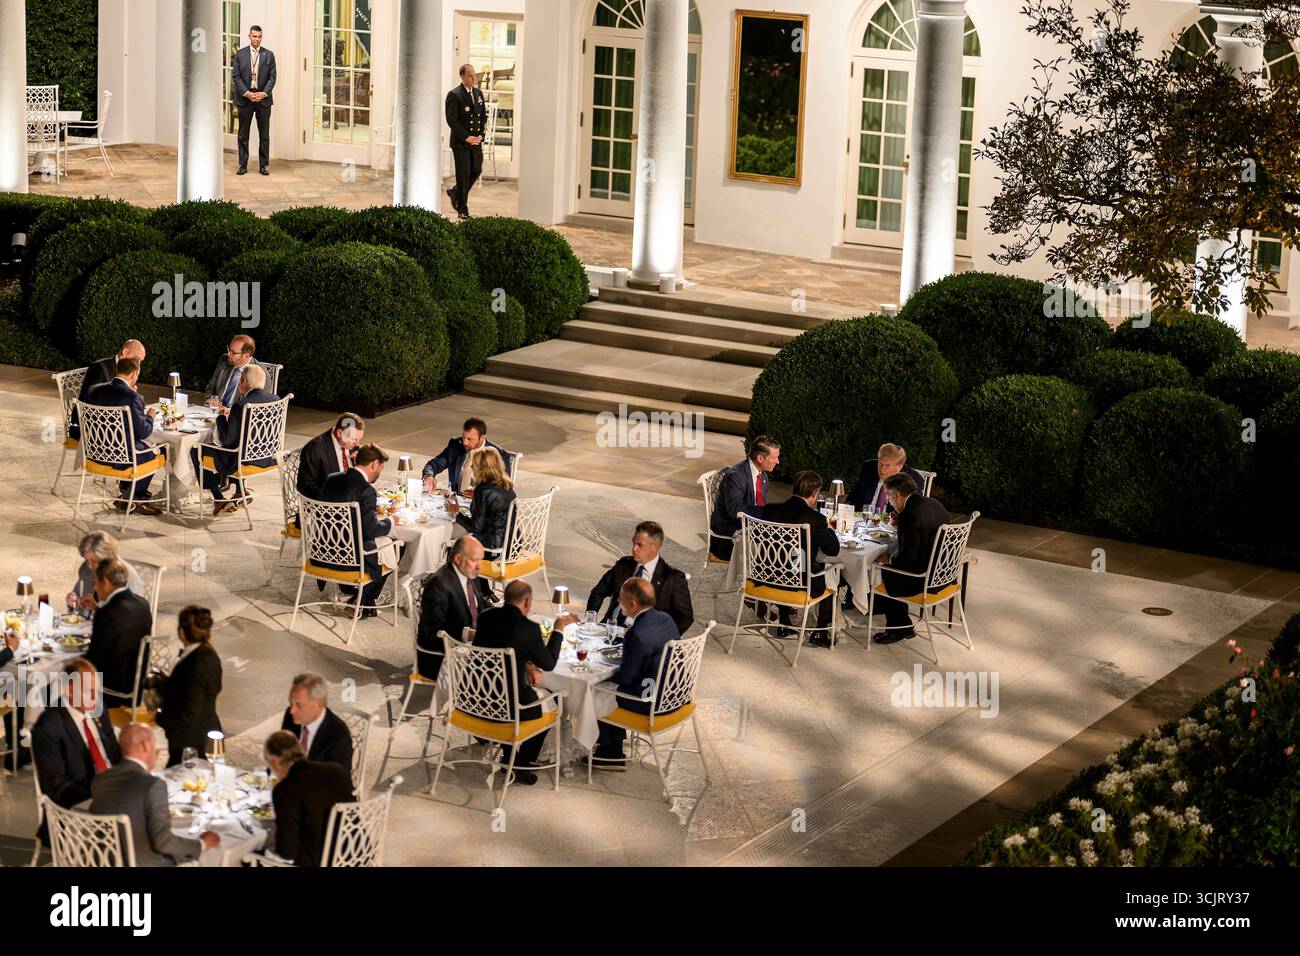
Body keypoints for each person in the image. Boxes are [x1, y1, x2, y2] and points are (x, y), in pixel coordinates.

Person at [471, 581, 569, 786]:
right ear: (527, 601)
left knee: (519, 687)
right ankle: (521, 763)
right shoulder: (529, 629)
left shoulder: (485, 617)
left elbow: (500, 648)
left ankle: (509, 755)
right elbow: (549, 663)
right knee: (554, 700)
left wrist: (526, 665)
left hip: (477, 698)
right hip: (508, 706)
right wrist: (558, 630)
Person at [90, 723, 218, 865]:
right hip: (140, 862)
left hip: (102, 859)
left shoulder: (100, 779)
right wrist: (202, 844)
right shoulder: (153, 785)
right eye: (154, 745)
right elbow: (163, 842)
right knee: (209, 855)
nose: (156, 752)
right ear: (145, 746)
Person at [591, 578, 679, 769]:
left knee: (598, 689)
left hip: (651, 702)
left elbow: (625, 678)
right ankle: (614, 743)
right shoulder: (666, 619)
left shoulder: (637, 633)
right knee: (613, 687)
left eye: (620, 599)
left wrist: (603, 671)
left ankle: (609, 751)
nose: (618, 603)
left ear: (632, 604)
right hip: (675, 695)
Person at [31, 659, 122, 843]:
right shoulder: (48, 727)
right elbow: (58, 787)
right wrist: (102, 795)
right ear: (69, 689)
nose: (95, 698)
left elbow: (115, 754)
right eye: (89, 691)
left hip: (114, 794)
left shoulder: (98, 709)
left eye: (97, 691)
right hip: (76, 811)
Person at [319, 444, 402, 616]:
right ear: (374, 464)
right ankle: (362, 602)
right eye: (381, 467)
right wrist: (390, 521)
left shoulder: (331, 479)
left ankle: (358, 598)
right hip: (350, 558)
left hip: (322, 552)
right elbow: (371, 530)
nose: (379, 472)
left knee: (378, 542)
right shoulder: (366, 490)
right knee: (396, 544)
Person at [760, 470, 839, 647]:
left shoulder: (770, 510)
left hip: (767, 576)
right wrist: (830, 530)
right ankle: (820, 633)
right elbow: (833, 550)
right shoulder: (815, 519)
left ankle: (784, 622)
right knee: (831, 574)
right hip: (799, 582)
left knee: (786, 561)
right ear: (815, 493)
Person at [871, 473, 950, 644]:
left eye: (888, 497)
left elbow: (908, 558)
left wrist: (888, 559)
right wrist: (902, 525)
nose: (888, 502)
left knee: (879, 569)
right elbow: (924, 531)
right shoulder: (933, 503)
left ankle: (897, 628)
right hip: (944, 574)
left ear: (897, 495)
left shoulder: (909, 514)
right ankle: (904, 625)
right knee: (888, 566)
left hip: (924, 579)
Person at [191, 362, 278, 516]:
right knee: (236, 445)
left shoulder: (241, 406)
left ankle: (218, 499)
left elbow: (226, 440)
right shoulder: (275, 400)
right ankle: (239, 491)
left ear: (243, 381)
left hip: (242, 461)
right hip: (267, 457)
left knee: (196, 449)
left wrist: (221, 415)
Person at [85, 355, 164, 515]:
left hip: (94, 453)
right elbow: (144, 431)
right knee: (158, 453)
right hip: (122, 457)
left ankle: (129, 494)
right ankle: (134, 497)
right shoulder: (133, 397)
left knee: (144, 448)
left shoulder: (94, 390)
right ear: (134, 374)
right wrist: (150, 416)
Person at [586, 520, 694, 636]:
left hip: (644, 639)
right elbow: (598, 591)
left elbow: (685, 617)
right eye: (633, 543)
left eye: (640, 545)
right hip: (610, 631)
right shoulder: (623, 565)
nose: (634, 549)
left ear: (655, 547)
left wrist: (663, 638)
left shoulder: (673, 579)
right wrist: (591, 620)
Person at [264, 731, 354, 867]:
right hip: (357, 853)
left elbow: (287, 852)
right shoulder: (336, 770)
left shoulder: (285, 789)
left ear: (275, 761)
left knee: (247, 858)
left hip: (320, 862)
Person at [416, 535, 496, 680]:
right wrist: (469, 634)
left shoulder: (469, 572)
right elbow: (434, 631)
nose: (479, 566)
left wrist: (503, 615)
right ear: (458, 559)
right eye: (474, 560)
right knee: (503, 668)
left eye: (481, 560)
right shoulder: (438, 585)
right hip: (441, 657)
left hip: (470, 646)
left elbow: (480, 605)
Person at [157, 606, 223, 768]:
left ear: (181, 632)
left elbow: (190, 710)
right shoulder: (209, 654)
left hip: (190, 741)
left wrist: (158, 718)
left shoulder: (197, 663)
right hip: (205, 731)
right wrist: (166, 682)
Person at [86, 559, 153, 700]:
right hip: (137, 684)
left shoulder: (107, 614)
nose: (95, 588)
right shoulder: (142, 604)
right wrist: (97, 609)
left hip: (112, 691)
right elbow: (122, 625)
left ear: (104, 582)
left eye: (95, 583)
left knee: (49, 684)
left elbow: (92, 660)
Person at [709, 435, 781, 561]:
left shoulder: (762, 475)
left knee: (783, 536)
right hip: (727, 537)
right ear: (760, 458)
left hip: (748, 526)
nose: (777, 461)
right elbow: (736, 510)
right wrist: (766, 515)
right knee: (777, 545)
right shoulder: (736, 476)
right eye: (775, 457)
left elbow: (760, 507)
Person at [279, 672, 353, 775]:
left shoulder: (338, 735)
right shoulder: (291, 716)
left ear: (318, 704)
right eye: (291, 703)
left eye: (298, 704)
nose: (292, 710)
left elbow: (339, 783)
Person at [70, 339, 145, 440]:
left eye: (140, 361)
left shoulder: (126, 371)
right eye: (137, 359)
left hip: (109, 424)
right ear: (125, 352)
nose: (138, 364)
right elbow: (93, 400)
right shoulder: (99, 368)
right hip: (90, 428)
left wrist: (128, 390)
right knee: (139, 433)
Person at [448, 446, 515, 556]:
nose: (471, 467)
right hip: (511, 546)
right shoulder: (506, 484)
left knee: (455, 544)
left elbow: (475, 527)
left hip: (492, 550)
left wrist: (456, 512)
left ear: (481, 468)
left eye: (474, 464)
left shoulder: (482, 491)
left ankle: (451, 572)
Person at [421, 417, 511, 496]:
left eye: (469, 439)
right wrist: (428, 476)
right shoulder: (456, 445)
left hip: (481, 505)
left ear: (482, 438)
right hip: (455, 501)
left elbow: (503, 489)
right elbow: (434, 465)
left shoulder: (498, 455)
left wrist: (478, 494)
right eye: (463, 437)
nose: (464, 442)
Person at [445, 63, 487, 220]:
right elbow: (452, 121)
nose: (473, 78)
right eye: (470, 76)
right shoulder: (454, 95)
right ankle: (462, 209)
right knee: (463, 175)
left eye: (474, 75)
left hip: (476, 141)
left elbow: (483, 116)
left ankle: (456, 191)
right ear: (462, 76)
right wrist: (466, 137)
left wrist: (481, 135)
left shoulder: (478, 93)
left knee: (476, 170)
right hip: (461, 143)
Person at [232, 25, 276, 176]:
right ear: (249, 36)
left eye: (259, 37)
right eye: (254, 36)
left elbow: (273, 77)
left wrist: (263, 93)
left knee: (264, 135)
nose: (257, 39)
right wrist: (246, 93)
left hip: (263, 100)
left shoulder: (269, 55)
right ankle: (242, 165)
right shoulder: (240, 54)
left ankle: (264, 165)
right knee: (243, 134)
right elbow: (236, 77)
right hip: (245, 99)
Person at [297, 412, 365, 507]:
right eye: (354, 439)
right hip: (325, 507)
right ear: (339, 433)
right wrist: (335, 499)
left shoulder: (352, 446)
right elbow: (305, 485)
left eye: (359, 439)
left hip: (353, 501)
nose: (357, 444)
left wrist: (361, 464)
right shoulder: (315, 449)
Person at [66, 530, 145, 612]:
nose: (89, 566)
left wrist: (97, 609)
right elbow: (78, 594)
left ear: (108, 558)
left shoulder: (130, 578)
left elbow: (132, 616)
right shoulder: (85, 568)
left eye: (94, 562)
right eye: (86, 560)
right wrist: (73, 600)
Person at [847, 443, 929, 516]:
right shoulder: (868, 468)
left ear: (899, 466)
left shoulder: (914, 479)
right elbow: (853, 497)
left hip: (891, 528)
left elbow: (912, 513)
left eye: (887, 466)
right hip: (862, 522)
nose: (882, 470)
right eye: (880, 463)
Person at [204, 333, 257, 410]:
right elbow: (211, 387)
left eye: (233, 352)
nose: (229, 354)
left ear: (246, 355)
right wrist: (210, 400)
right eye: (229, 350)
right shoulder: (224, 360)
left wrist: (230, 411)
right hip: (215, 412)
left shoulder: (259, 372)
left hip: (238, 417)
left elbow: (257, 405)